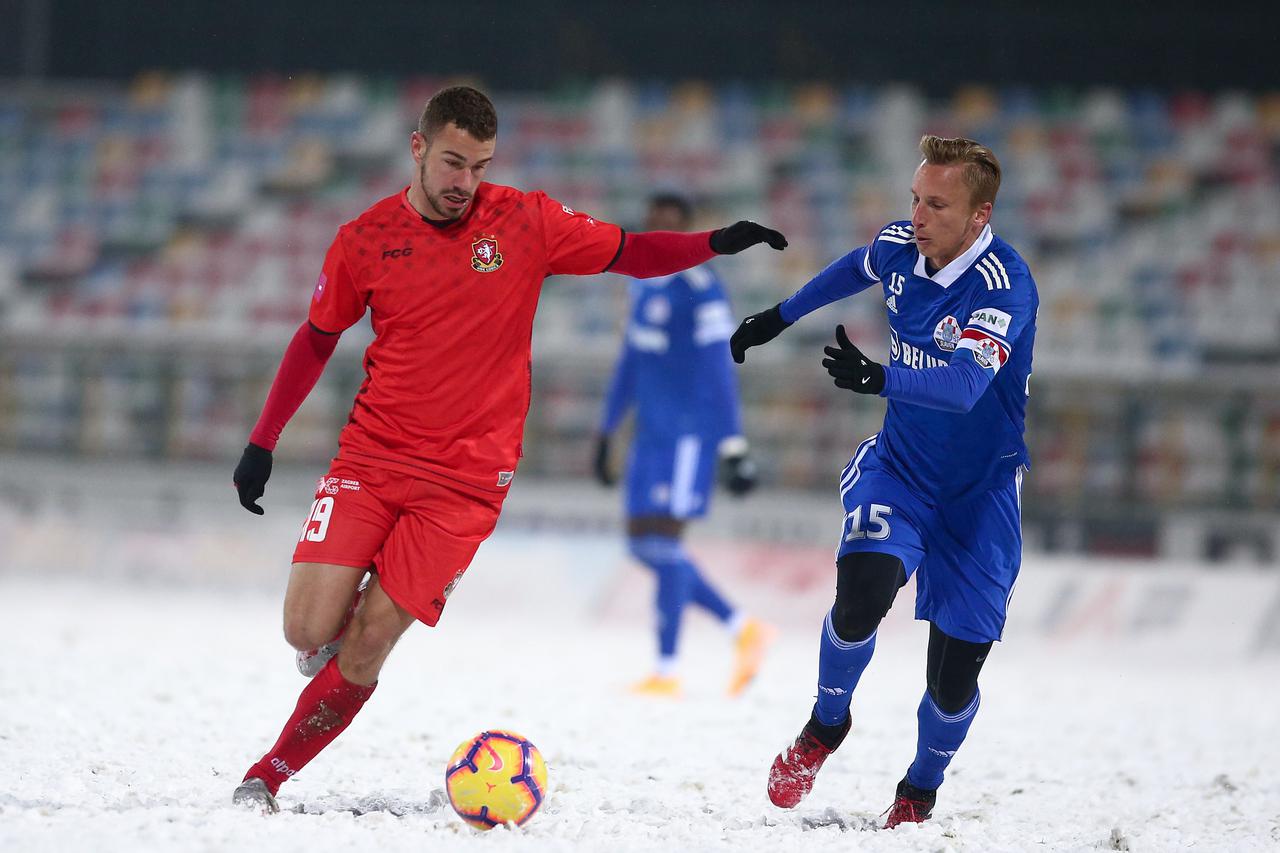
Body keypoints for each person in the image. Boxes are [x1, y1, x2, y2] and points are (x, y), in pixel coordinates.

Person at [229, 85, 787, 813]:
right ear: (418, 148)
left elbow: (631, 251)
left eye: (481, 166)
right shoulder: (364, 239)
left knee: (367, 644)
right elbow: (314, 340)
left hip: (464, 484)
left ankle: (266, 774)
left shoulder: (525, 221)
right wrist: (261, 442)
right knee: (306, 630)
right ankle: (336, 634)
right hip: (371, 459)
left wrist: (713, 243)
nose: (466, 182)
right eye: (455, 162)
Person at [730, 135, 1036, 828]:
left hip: (980, 499)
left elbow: (962, 386)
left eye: (936, 204)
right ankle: (824, 726)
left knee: (952, 680)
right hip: (900, 469)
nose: (918, 215)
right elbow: (852, 268)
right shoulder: (903, 244)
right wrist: (778, 317)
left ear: (979, 215)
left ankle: (918, 789)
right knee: (862, 589)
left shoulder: (1004, 285)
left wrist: (878, 377)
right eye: (915, 198)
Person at [593, 192, 773, 699]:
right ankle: (744, 630)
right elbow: (630, 361)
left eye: (672, 228)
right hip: (650, 435)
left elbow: (720, 368)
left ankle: (667, 669)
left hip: (688, 435)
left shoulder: (702, 291)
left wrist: (733, 443)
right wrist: (607, 430)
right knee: (642, 545)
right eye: (655, 226)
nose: (661, 237)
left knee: (665, 546)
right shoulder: (641, 285)